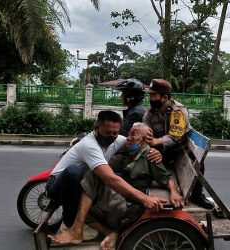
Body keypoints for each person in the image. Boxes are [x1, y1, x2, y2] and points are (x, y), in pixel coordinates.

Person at [49, 123, 184, 250]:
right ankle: (110, 233)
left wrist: (174, 192)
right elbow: (107, 167)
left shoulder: (149, 156)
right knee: (81, 201)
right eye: (129, 135)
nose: (129, 138)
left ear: (143, 139)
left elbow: (166, 177)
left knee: (93, 176)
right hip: (116, 200)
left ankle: (77, 232)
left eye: (133, 135)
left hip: (127, 205)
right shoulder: (127, 154)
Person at [46, 110, 164, 231]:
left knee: (97, 177)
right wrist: (145, 199)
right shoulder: (90, 145)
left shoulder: (117, 139)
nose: (112, 136)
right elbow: (110, 179)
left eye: (115, 133)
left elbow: (136, 143)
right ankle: (70, 224)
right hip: (58, 185)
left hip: (83, 181)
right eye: (108, 132)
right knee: (75, 171)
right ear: (96, 128)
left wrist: (154, 152)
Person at [143, 79, 214, 209]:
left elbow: (175, 137)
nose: (151, 99)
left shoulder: (178, 111)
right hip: (165, 151)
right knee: (149, 157)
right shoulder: (149, 113)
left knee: (197, 161)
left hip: (181, 150)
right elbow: (146, 134)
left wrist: (155, 141)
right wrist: (152, 145)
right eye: (150, 96)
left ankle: (197, 195)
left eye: (154, 96)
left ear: (165, 97)